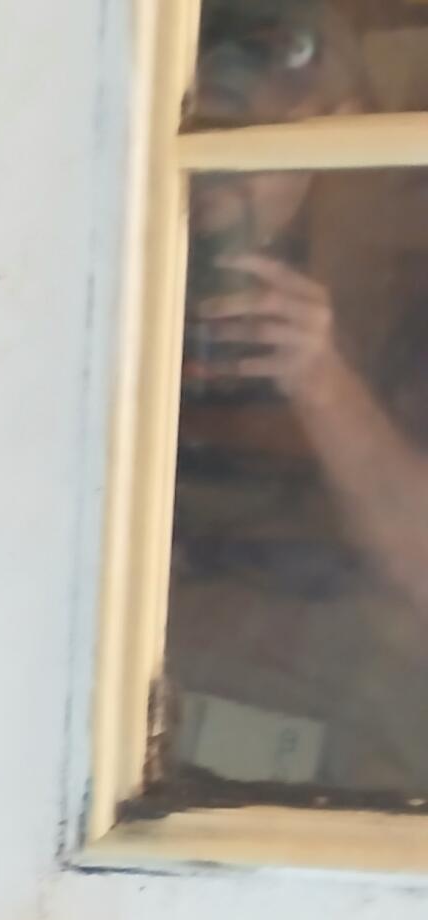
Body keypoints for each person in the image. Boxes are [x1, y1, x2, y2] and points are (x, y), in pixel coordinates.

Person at [167, 0, 428, 793]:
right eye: (205, 137)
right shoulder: (121, 248)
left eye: (260, 147)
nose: (224, 184)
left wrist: (318, 374)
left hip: (339, 676)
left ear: (336, 133)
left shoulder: (392, 292)